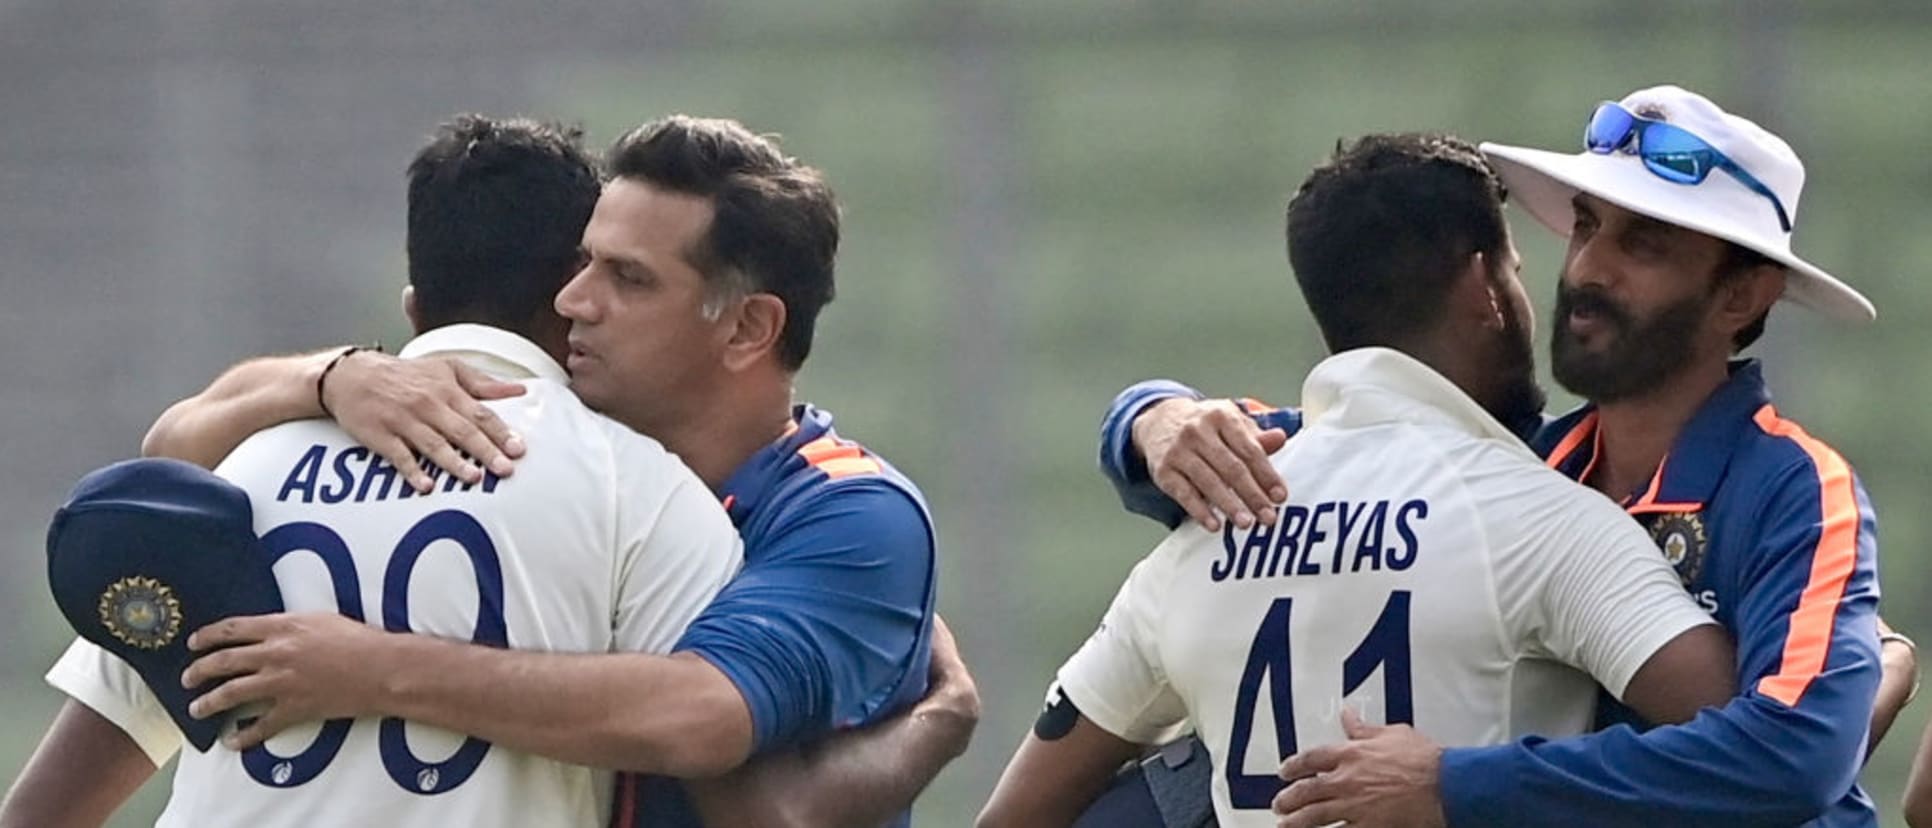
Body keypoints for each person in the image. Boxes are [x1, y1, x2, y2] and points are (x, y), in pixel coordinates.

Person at [127, 114, 968, 828]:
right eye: (583, 265)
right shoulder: (528, 445)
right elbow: (170, 453)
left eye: (627, 279)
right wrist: (330, 374)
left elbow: (717, 737)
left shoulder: (851, 514)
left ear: (747, 329)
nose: (572, 303)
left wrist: (368, 668)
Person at [1100, 86, 1901, 827]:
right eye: (1587, 225)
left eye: (1645, 245)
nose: (1588, 267)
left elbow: (1795, 754)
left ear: (1741, 297)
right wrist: (1151, 418)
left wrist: (1457, 785)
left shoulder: (1796, 488)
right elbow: (1277, 444)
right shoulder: (1523, 459)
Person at [976, 133, 1737, 828]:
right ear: (1484, 288)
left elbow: (1014, 816)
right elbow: (1752, 749)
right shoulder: (1541, 519)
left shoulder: (1204, 536)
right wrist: (1859, 665)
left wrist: (1143, 414)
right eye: (1513, 268)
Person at [1, 116, 745, 827]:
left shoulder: (235, 476)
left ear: (415, 309)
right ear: (575, 297)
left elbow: (42, 811)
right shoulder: (637, 486)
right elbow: (713, 725)